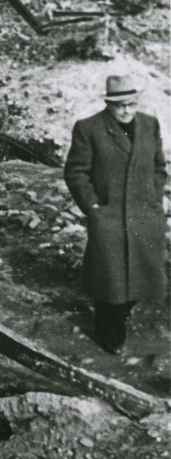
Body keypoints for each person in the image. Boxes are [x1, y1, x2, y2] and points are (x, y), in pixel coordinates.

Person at [64, 75, 167, 354]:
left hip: (143, 216)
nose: (126, 110)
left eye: (131, 104)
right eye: (119, 105)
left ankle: (119, 317)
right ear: (108, 104)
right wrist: (93, 208)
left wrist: (156, 199)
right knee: (110, 281)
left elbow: (159, 167)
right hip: (109, 217)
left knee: (142, 277)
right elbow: (75, 172)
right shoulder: (89, 128)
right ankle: (109, 336)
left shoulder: (149, 124)